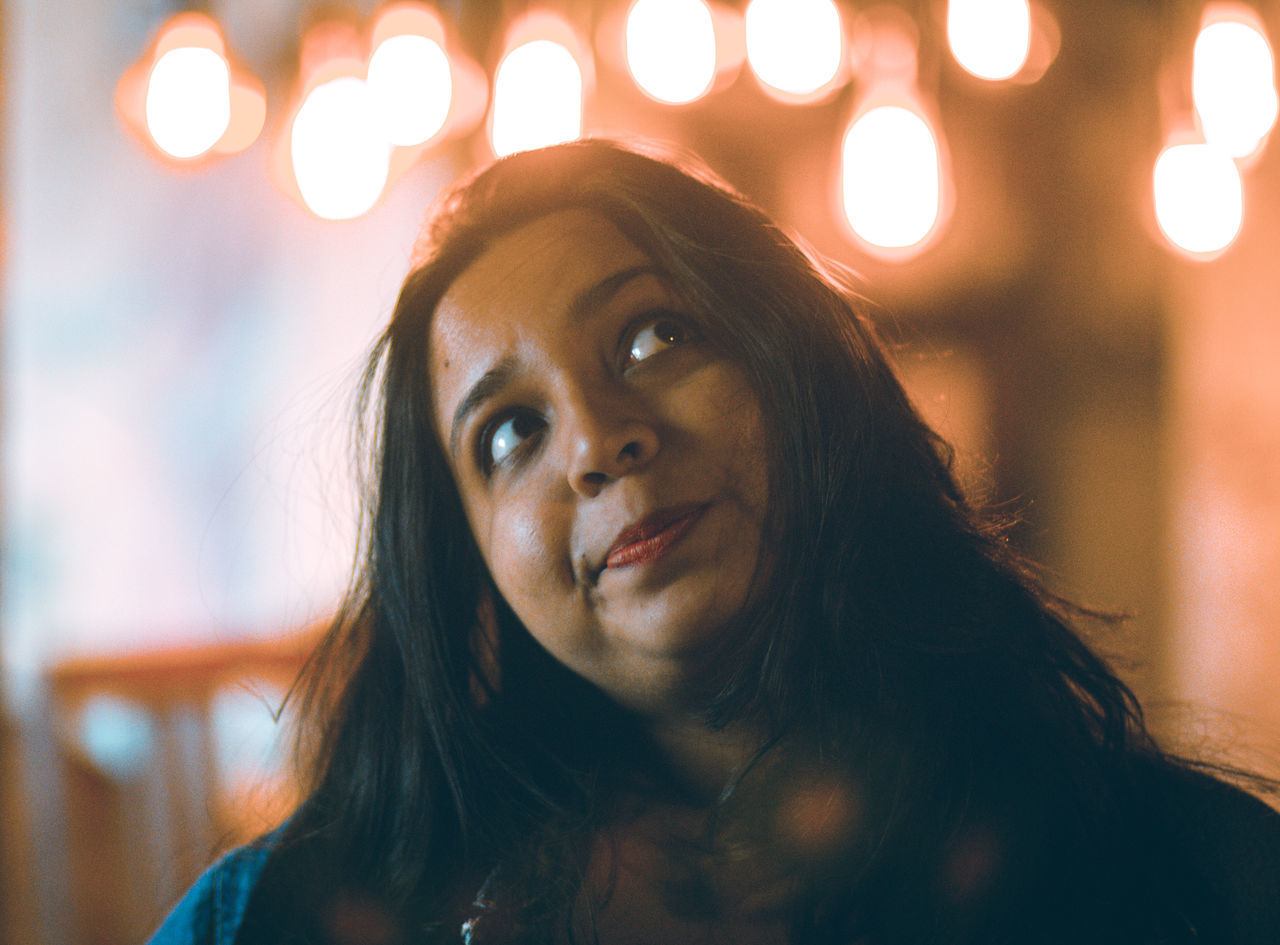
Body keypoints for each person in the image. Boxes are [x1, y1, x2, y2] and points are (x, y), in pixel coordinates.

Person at [148, 139, 1280, 945]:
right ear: (468, 571)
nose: (596, 442)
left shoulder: (1196, 879)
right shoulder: (273, 921)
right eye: (509, 433)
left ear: (800, 375)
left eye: (653, 335)